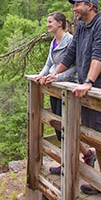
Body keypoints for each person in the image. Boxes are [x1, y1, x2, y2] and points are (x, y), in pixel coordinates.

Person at [44, 0, 101, 195]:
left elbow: (100, 53)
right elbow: (70, 55)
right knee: (97, 139)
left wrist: (88, 81)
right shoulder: (81, 28)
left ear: (90, 5)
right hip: (89, 92)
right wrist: (55, 75)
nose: (74, 8)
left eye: (77, 5)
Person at [34, 12, 77, 141]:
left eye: (50, 22)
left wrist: (56, 77)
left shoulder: (70, 40)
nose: (47, 25)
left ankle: (78, 156)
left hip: (66, 86)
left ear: (59, 23)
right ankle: (82, 154)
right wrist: (41, 75)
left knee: (64, 125)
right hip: (54, 86)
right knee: (57, 124)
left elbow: (75, 67)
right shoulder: (54, 41)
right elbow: (49, 64)